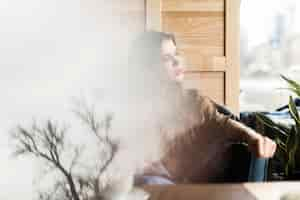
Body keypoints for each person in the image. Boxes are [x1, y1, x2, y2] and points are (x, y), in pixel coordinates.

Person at [128, 31, 276, 184]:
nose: (177, 61)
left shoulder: (193, 101)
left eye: (176, 54)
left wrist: (253, 137)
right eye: (166, 58)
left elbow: (222, 123)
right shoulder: (130, 107)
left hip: (181, 188)